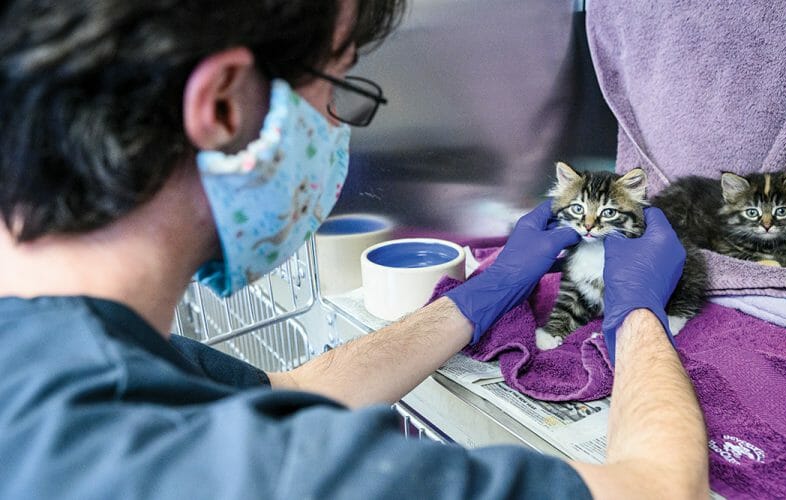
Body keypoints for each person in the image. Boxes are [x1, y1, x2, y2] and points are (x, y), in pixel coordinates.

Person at [0, 1, 709, 498]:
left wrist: (481, 296)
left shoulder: (52, 351)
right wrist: (635, 313)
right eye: (339, 90)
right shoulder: (242, 474)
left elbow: (299, 390)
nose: (338, 127)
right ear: (222, 105)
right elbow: (663, 493)